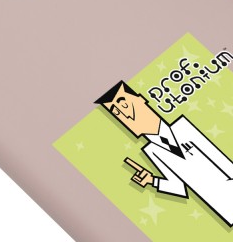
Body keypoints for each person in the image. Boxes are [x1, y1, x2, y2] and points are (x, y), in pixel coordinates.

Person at [95, 81, 233, 227]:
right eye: (116, 112)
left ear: (140, 100)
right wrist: (151, 180)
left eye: (124, 104)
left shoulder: (184, 128)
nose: (125, 114)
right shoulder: (152, 151)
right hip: (221, 206)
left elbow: (222, 161)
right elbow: (178, 187)